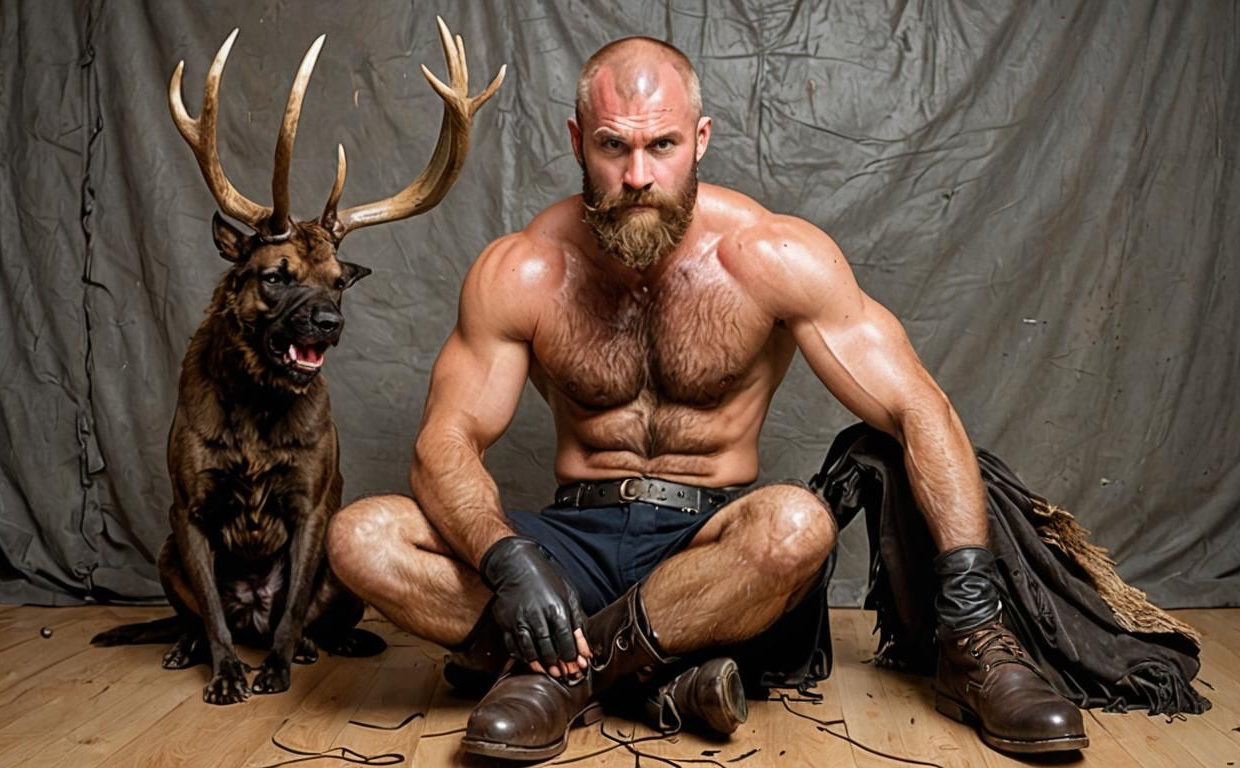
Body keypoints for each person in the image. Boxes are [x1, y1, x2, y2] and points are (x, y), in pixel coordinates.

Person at [326, 36, 1087, 760]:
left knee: (796, 525)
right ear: (575, 139)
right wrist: (506, 559)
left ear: (701, 138)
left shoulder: (770, 256)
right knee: (361, 537)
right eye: (612, 146)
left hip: (709, 548)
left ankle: (556, 681)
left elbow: (921, 410)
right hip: (571, 542)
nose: (638, 176)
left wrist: (971, 614)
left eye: (662, 146)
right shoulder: (525, 269)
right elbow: (444, 443)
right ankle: (654, 681)